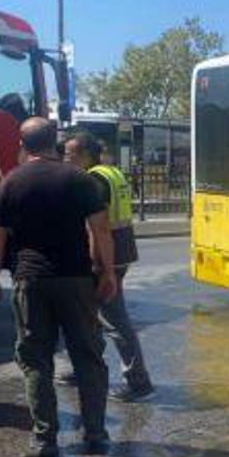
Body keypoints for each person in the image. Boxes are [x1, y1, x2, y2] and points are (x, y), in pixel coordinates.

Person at [0, 118, 118, 457]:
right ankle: (96, 433)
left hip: (31, 281)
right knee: (88, 356)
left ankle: (44, 439)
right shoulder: (80, 179)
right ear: (54, 142)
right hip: (76, 280)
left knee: (36, 359)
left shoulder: (11, 182)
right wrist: (108, 273)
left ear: (23, 144)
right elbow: (101, 230)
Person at [63, 132, 155, 402]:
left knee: (114, 319)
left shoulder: (93, 179)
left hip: (108, 257)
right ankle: (85, 368)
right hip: (122, 250)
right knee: (90, 316)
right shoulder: (112, 173)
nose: (66, 159)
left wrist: (97, 265)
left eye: (70, 154)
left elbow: (98, 227)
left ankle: (138, 381)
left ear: (85, 155)